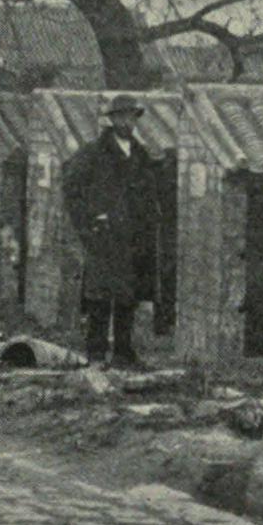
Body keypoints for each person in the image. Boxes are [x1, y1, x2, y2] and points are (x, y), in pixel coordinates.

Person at [61, 95, 160, 367]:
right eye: (121, 117)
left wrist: (147, 224)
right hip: (103, 236)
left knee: (128, 296)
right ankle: (95, 354)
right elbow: (71, 189)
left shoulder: (140, 154)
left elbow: (149, 195)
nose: (126, 122)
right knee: (100, 297)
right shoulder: (94, 153)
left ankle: (123, 353)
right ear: (112, 119)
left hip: (133, 238)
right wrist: (90, 221)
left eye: (131, 117)